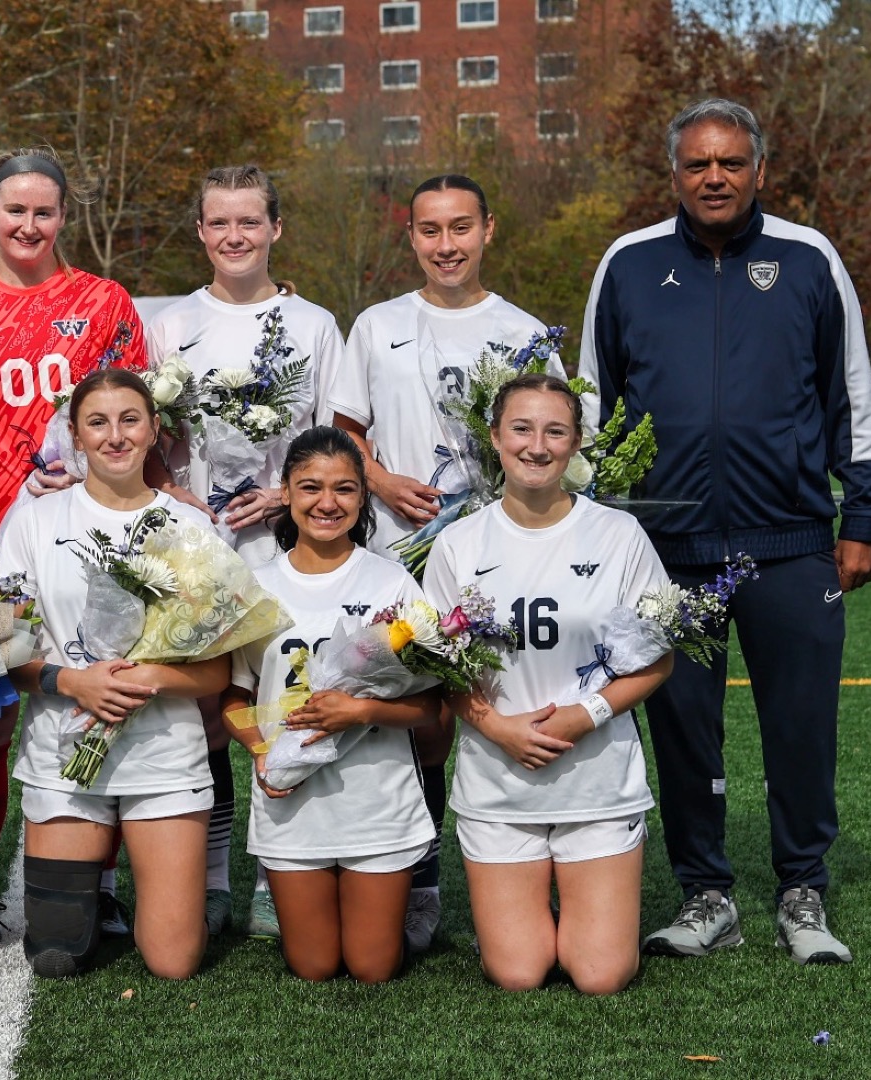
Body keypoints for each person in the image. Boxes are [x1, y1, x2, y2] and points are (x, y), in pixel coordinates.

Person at [579, 98, 871, 965]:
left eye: (730, 163)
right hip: (665, 551)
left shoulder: (808, 258)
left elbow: (851, 396)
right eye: (696, 164)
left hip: (790, 542)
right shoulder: (629, 263)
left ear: (759, 169)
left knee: (800, 724)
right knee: (682, 728)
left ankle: (802, 892)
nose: (714, 177)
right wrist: (601, 521)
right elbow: (595, 399)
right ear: (672, 173)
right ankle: (706, 893)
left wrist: (860, 518)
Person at [0, 149, 148, 940]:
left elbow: (140, 414)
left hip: (87, 536)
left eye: (43, 211)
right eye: (14, 209)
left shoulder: (102, 299)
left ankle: (100, 882)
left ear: (62, 217)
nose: (28, 224)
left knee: (96, 696)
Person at [327, 174, 552, 953]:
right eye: (430, 230)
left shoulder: (525, 331)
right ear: (412, 237)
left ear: (489, 229)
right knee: (420, 722)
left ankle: (524, 868)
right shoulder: (377, 324)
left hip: (496, 560)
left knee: (497, 704)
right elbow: (345, 428)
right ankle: (416, 877)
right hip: (398, 552)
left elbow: (546, 437)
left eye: (461, 228)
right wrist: (382, 480)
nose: (446, 245)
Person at [144, 164, 349, 939]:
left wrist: (288, 493)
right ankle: (215, 876)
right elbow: (152, 439)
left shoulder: (316, 325)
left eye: (249, 222)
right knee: (204, 717)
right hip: (196, 543)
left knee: (281, 707)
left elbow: (336, 443)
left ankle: (276, 871)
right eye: (219, 223)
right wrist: (177, 489)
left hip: (287, 542)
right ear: (200, 231)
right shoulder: (170, 326)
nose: (235, 237)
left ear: (276, 230)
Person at [424, 374, 673, 995]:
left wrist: (585, 714)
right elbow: (439, 668)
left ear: (575, 443)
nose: (537, 446)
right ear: (495, 438)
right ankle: (537, 913)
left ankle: (584, 909)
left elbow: (659, 659)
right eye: (522, 429)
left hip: (597, 779)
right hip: (498, 782)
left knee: (601, 974)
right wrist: (498, 727)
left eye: (555, 431)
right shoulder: (457, 544)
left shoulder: (618, 536)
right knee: (518, 971)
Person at [0, 368, 231, 980]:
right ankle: (93, 895)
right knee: (55, 954)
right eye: (97, 423)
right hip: (63, 749)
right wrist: (72, 682)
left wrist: (144, 678)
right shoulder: (31, 523)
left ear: (155, 429)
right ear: (74, 435)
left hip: (164, 754)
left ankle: (176, 896)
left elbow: (216, 672)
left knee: (174, 961)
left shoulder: (192, 528)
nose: (115, 436)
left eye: (130, 420)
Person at [221, 427, 437, 982]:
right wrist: (261, 753)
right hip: (292, 800)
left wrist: (361, 712)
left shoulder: (391, 581)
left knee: (372, 967)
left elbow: (432, 708)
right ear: (286, 494)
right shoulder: (256, 585)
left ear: (363, 497)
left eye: (344, 489)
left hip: (375, 799)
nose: (327, 503)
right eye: (310, 487)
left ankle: (401, 911)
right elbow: (233, 696)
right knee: (313, 965)